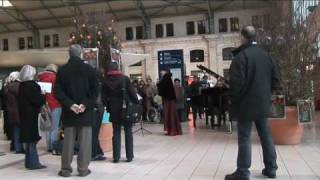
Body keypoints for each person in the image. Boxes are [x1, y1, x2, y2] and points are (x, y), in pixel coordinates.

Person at [225, 26, 279, 180]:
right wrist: (266, 95)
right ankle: (271, 168)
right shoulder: (266, 56)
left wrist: (234, 100)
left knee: (244, 137)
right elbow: (276, 80)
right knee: (266, 135)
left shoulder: (240, 57)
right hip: (262, 104)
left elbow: (236, 85)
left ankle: (242, 172)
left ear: (243, 37)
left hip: (246, 105)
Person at [55, 44, 98, 177]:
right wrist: (84, 105)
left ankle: (66, 170)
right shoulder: (90, 69)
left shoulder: (62, 70)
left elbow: (58, 91)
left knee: (68, 142)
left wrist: (71, 105)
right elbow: (95, 91)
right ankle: (83, 169)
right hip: (85, 113)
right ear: (81, 54)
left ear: (69, 54)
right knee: (85, 143)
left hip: (69, 112)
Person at [101, 62, 139, 163]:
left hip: (113, 110)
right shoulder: (125, 79)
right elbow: (133, 94)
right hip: (125, 109)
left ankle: (116, 157)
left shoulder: (105, 81)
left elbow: (103, 99)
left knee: (116, 132)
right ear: (117, 68)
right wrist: (136, 102)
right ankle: (129, 156)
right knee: (128, 131)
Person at [18, 65, 46, 170]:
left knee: (28, 139)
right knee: (32, 139)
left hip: (24, 114)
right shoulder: (32, 86)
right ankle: (34, 163)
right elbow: (38, 100)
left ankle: (28, 162)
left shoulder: (22, 85)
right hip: (32, 115)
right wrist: (43, 95)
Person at [38, 64, 62, 154]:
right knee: (55, 127)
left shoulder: (40, 78)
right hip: (56, 105)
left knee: (48, 126)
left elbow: (42, 94)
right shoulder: (55, 78)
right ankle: (53, 146)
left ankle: (48, 146)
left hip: (45, 106)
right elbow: (58, 92)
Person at [3, 72, 24, 154]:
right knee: (20, 130)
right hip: (19, 111)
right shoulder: (18, 86)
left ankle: (16, 146)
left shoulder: (7, 87)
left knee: (15, 130)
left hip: (11, 111)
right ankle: (19, 147)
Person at [158, 69, 182, 136]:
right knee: (171, 114)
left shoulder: (166, 77)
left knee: (170, 115)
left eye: (161, 71)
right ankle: (172, 130)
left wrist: (158, 84)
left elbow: (162, 87)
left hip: (168, 99)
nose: (160, 72)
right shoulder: (167, 77)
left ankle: (172, 131)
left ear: (165, 71)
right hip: (169, 99)